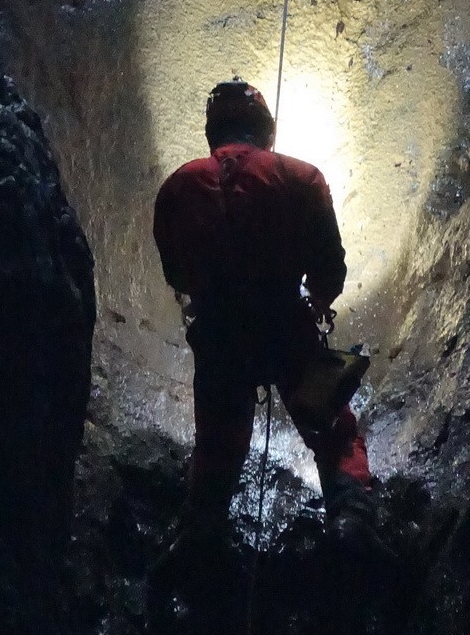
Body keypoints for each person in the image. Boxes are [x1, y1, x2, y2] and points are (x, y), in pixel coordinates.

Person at [152, 77, 381, 569]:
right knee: (334, 435)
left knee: (216, 454)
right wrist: (317, 299)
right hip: (286, 328)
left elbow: (177, 273)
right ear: (266, 129)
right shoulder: (302, 177)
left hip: (219, 338)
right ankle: (352, 525)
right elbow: (329, 270)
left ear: (213, 131)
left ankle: (196, 547)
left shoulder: (177, 187)